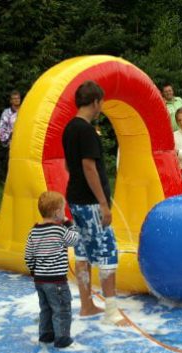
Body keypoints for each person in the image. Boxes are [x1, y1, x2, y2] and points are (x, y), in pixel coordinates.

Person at [62, 80, 129, 326]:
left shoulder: (69, 128)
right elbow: (88, 166)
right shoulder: (87, 130)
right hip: (91, 202)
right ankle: (111, 313)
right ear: (95, 102)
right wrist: (103, 202)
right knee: (107, 251)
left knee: (82, 252)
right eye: (101, 102)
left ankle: (87, 304)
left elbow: (69, 165)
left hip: (75, 198)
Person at [24, 191, 79, 348]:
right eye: (63, 210)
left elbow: (28, 255)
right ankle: (62, 338)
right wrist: (69, 224)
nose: (64, 213)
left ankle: (46, 335)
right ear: (57, 213)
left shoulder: (33, 231)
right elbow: (75, 240)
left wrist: (35, 271)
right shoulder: (59, 230)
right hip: (57, 280)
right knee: (61, 308)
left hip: (40, 280)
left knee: (46, 308)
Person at [0, 90, 22, 184]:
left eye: (18, 98)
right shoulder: (6, 113)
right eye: (14, 98)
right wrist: (7, 140)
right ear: (11, 101)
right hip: (11, 142)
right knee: (12, 163)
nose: (16, 100)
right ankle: (11, 182)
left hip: (24, 141)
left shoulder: (24, 109)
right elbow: (2, 128)